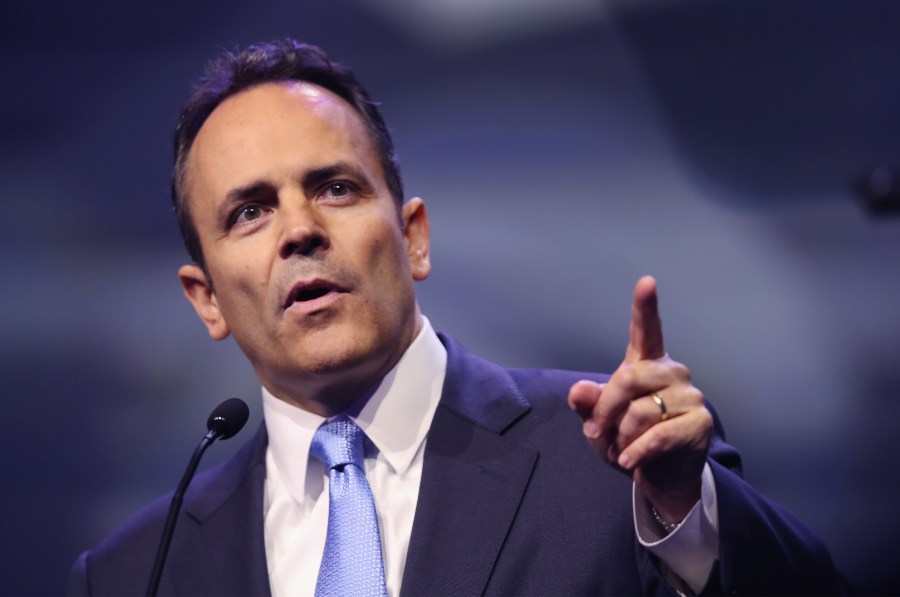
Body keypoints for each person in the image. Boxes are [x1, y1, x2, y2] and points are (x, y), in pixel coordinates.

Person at [68, 39, 846, 596]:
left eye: (335, 187)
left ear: (414, 237)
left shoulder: (612, 460)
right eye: (250, 211)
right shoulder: (137, 571)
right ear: (205, 298)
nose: (299, 229)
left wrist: (686, 509)